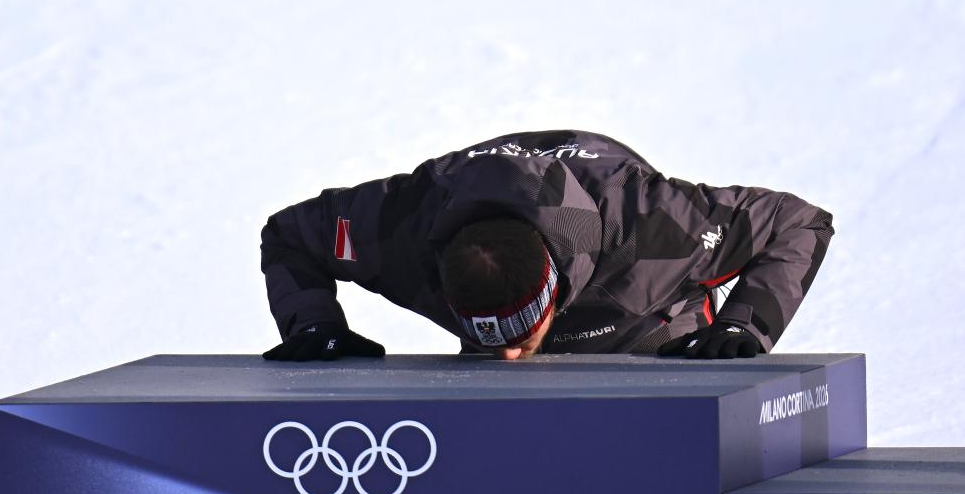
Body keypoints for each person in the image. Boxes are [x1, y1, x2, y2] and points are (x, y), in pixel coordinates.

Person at [260, 129, 833, 361]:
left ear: (552, 288)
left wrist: (743, 327)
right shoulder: (399, 229)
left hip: (651, 340)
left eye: (518, 331)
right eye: (487, 334)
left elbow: (797, 223)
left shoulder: (657, 226)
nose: (509, 355)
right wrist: (314, 324)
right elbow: (290, 235)